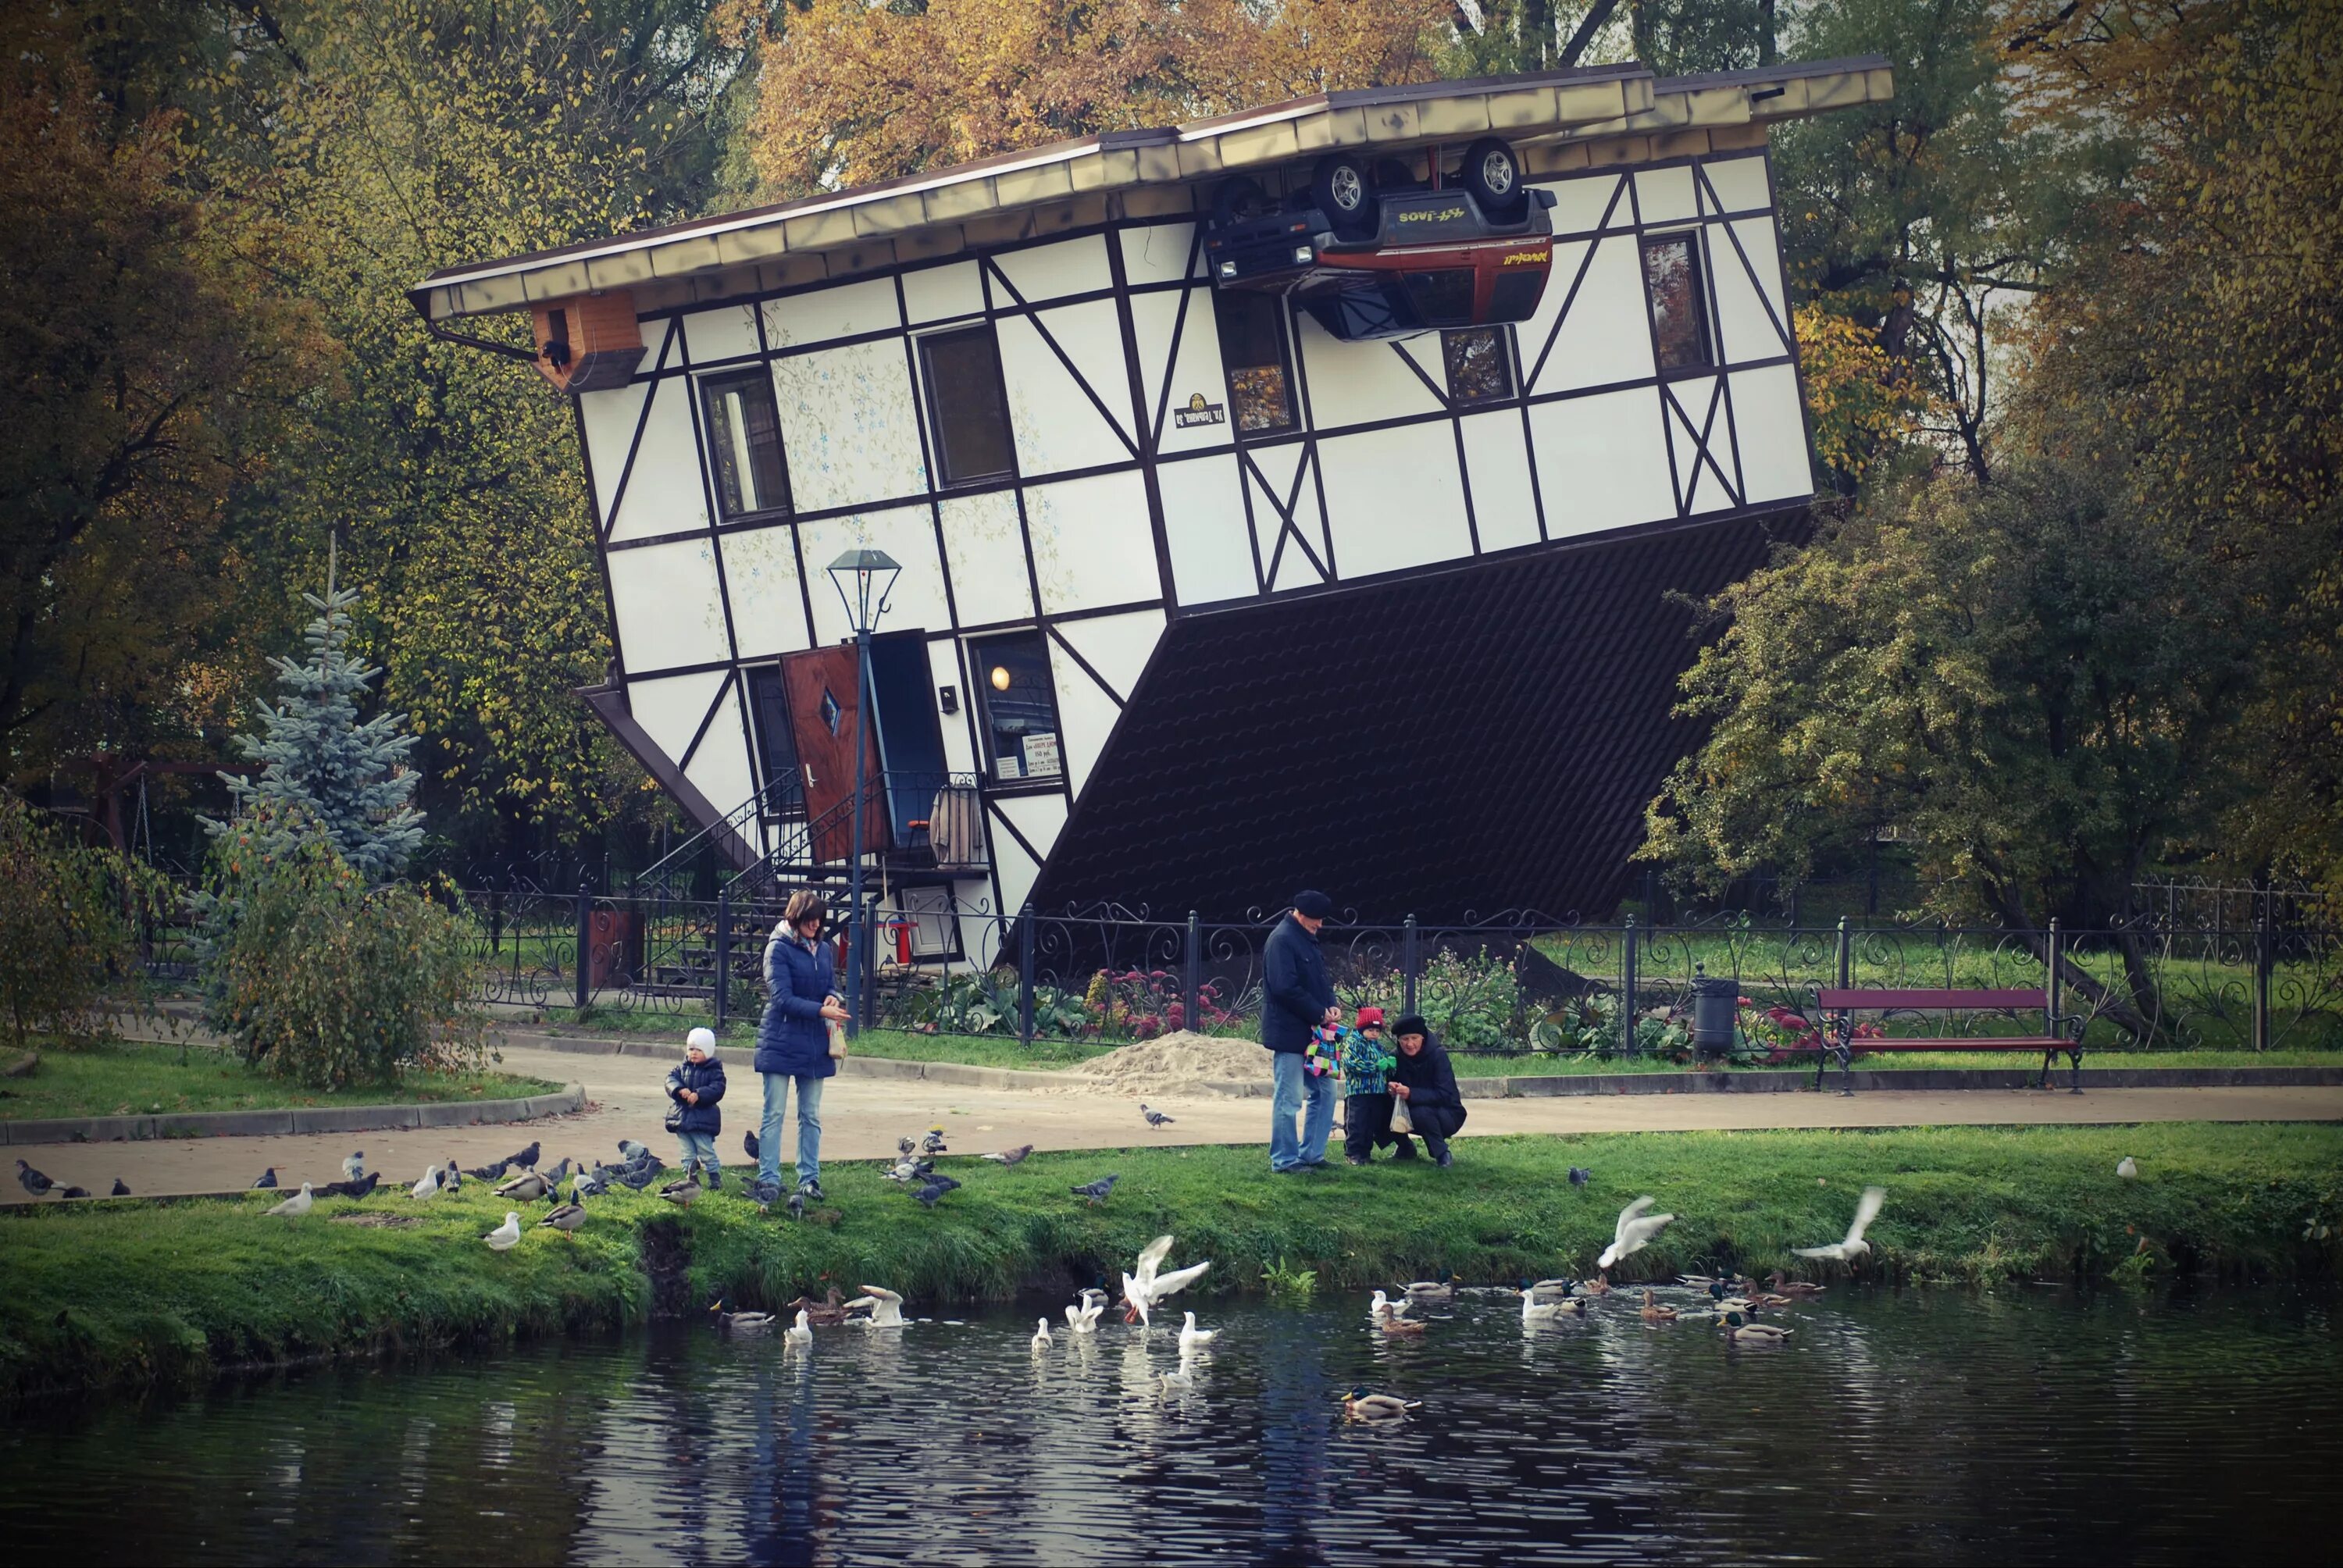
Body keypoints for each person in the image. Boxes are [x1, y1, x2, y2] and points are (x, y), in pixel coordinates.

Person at [755, 889, 851, 1199]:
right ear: (795, 917)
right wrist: (821, 1010)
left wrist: (833, 997)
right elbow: (781, 998)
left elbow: (830, 985)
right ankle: (769, 1178)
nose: (815, 924)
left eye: (819, 919)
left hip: (813, 1042)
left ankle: (809, 1178)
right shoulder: (777, 949)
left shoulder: (822, 949)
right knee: (774, 1113)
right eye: (810, 918)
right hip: (781, 1040)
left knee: (810, 1115)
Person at [1262, 889, 1340, 1173]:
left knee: (1327, 1092)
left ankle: (1311, 1155)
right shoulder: (1282, 940)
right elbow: (1285, 988)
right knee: (1290, 1098)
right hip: (1290, 1035)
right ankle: (1284, 1160)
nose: (1319, 925)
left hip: (1316, 1033)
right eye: (1316, 919)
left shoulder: (1307, 939)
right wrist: (1319, 1012)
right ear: (1301, 913)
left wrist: (1331, 1006)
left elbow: (1321, 980)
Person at [1387, 1014, 1467, 1167]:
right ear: (1398, 1040)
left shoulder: (1438, 1055)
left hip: (1447, 1113)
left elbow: (1446, 1094)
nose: (1410, 1044)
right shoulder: (1394, 1057)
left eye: (1414, 1038)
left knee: (1420, 1112)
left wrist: (1411, 1093)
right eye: (1405, 1039)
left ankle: (1442, 1153)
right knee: (1375, 1104)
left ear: (1423, 1037)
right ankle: (1405, 1148)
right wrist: (1391, 1090)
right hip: (1409, 1109)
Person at [1335, 1007, 1397, 1165]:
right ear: (1361, 1028)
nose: (1374, 1034)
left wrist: (1390, 1066)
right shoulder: (1354, 1043)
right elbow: (1350, 1064)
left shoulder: (1378, 1047)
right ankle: (1353, 1153)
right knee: (1357, 1122)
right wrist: (1376, 1066)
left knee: (1371, 1123)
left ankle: (1366, 1153)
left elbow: (1385, 1066)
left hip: (1377, 1092)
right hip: (1358, 1092)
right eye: (1370, 1029)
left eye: (1377, 1030)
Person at [666, 1026, 728, 1187]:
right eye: (691, 1049)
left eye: (698, 1050)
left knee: (705, 1150)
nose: (693, 1053)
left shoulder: (714, 1071)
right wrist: (679, 1089)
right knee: (687, 1152)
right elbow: (670, 1080)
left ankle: (714, 1176)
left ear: (708, 1052)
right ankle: (690, 1178)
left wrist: (699, 1094)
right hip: (682, 1118)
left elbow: (717, 1088)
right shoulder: (681, 1068)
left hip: (703, 1119)